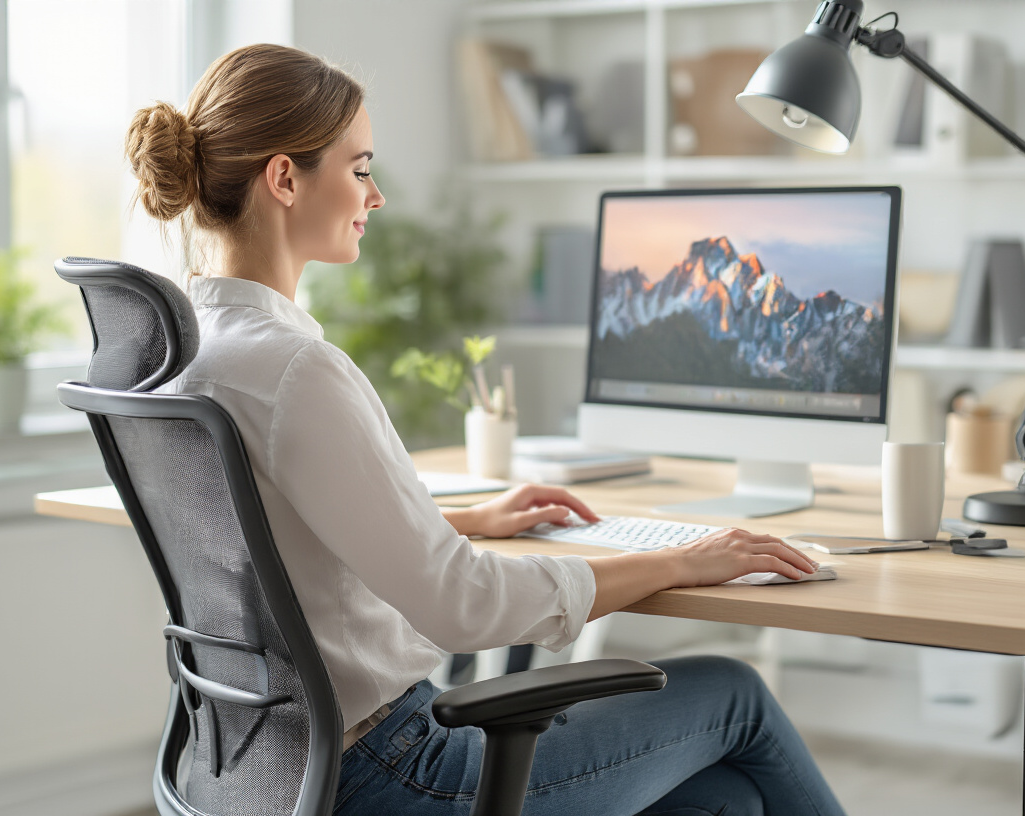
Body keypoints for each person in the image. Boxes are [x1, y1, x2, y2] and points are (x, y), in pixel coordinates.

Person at [125, 43, 846, 816]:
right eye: (361, 168)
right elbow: (462, 606)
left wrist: (461, 521)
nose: (377, 196)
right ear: (285, 178)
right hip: (394, 774)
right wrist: (677, 562)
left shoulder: (183, 353)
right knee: (734, 695)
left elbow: (271, 542)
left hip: (262, 774)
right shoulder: (298, 369)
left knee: (726, 798)